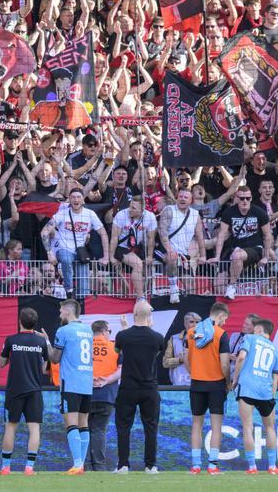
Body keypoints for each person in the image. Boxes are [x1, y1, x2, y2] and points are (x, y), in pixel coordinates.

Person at [113, 300, 167, 474]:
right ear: (150, 316)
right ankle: (150, 466)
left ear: (134, 314)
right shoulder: (158, 337)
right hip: (149, 387)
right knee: (151, 428)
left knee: (123, 427)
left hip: (128, 387)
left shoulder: (123, 336)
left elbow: (118, 352)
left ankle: (123, 465)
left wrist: (124, 329)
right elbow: (157, 353)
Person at [0, 307, 48, 476]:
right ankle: (29, 468)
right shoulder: (41, 342)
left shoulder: (11, 340)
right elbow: (45, 368)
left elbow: (2, 363)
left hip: (14, 390)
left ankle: (6, 467)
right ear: (35, 323)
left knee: (10, 427)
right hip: (34, 390)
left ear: (20, 321)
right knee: (34, 428)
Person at [232, 318, 278, 474]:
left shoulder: (249, 338)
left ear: (259, 330)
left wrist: (235, 379)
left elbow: (241, 357)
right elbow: (275, 377)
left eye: (254, 329)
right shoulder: (275, 349)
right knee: (270, 428)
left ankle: (252, 467)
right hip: (266, 392)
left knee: (248, 427)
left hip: (247, 388)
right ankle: (272, 466)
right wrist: (272, 395)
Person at [186, 302, 231, 474]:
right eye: (225, 319)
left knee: (196, 425)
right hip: (216, 384)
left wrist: (195, 372)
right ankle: (212, 466)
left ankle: (196, 465)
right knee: (216, 426)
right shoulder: (221, 334)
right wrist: (228, 382)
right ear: (220, 315)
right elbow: (225, 364)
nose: (225, 323)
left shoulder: (191, 332)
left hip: (196, 383)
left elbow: (186, 359)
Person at [51, 298, 95, 474]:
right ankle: (81, 464)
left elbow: (55, 358)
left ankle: (77, 464)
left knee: (71, 424)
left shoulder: (63, 330)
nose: (60, 314)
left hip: (70, 382)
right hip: (86, 382)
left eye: (61, 311)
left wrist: (47, 343)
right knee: (84, 424)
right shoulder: (88, 330)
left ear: (68, 312)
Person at [43, 189, 108, 301]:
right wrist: (49, 253)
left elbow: (103, 234)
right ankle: (69, 291)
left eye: (78, 197)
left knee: (83, 288)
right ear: (69, 199)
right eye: (73, 197)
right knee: (66, 259)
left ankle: (80, 306)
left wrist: (106, 256)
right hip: (64, 249)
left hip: (80, 252)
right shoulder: (62, 213)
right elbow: (44, 232)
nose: (76, 199)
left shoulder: (90, 214)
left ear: (83, 199)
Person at [88, 319, 122, 472]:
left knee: (83, 429)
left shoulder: (84, 346)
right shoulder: (114, 348)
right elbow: (121, 369)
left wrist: (90, 379)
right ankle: (99, 466)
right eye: (109, 332)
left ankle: (83, 464)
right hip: (106, 394)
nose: (109, 334)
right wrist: (106, 380)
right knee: (99, 430)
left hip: (85, 392)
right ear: (104, 331)